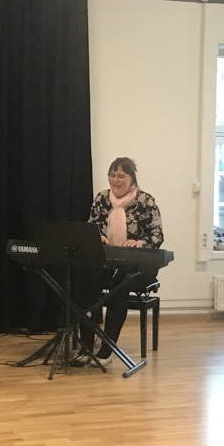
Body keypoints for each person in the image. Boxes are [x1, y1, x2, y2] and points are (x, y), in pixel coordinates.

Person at [73, 157, 164, 366]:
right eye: (112, 175)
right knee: (85, 281)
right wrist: (99, 237)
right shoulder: (102, 199)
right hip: (106, 262)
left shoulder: (146, 201)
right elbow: (91, 228)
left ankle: (107, 350)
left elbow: (157, 235)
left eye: (121, 175)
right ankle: (86, 347)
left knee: (119, 287)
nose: (115, 180)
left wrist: (141, 242)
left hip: (138, 266)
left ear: (132, 179)